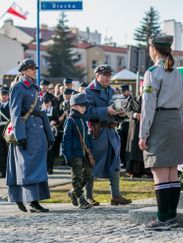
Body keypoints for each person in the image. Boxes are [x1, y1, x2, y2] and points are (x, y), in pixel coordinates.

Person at [138, 34, 183, 230]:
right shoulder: (179, 74)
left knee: (159, 171)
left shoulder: (152, 73)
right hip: (175, 121)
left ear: (153, 49)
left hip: (159, 121)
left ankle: (162, 218)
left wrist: (143, 133)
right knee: (172, 172)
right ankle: (171, 216)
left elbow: (148, 106)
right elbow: (182, 106)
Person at [6, 59, 55, 213]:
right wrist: (20, 136)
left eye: (35, 68)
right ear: (24, 70)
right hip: (26, 132)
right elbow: (15, 113)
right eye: (32, 68)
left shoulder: (34, 87)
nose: (35, 71)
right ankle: (30, 200)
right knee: (27, 168)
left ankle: (34, 200)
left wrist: (49, 134)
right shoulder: (18, 87)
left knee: (38, 167)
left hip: (38, 132)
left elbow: (42, 112)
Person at [85, 64, 132, 205]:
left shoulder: (112, 91)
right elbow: (86, 112)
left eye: (109, 75)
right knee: (92, 164)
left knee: (115, 163)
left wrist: (121, 114)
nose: (107, 77)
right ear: (97, 75)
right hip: (97, 133)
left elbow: (116, 111)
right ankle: (88, 196)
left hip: (111, 131)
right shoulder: (89, 91)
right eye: (104, 75)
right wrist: (105, 110)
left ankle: (116, 195)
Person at [62, 93, 94, 210]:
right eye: (82, 105)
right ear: (74, 106)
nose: (84, 108)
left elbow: (89, 136)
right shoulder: (70, 121)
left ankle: (73, 192)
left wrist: (91, 149)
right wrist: (67, 156)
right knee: (77, 177)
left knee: (89, 175)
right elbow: (66, 140)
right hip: (75, 154)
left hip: (86, 153)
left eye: (85, 106)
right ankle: (81, 199)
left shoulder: (85, 119)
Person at [125, 86, 147, 177]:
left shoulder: (151, 100)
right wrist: (135, 115)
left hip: (147, 127)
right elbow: (127, 110)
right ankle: (135, 171)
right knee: (134, 149)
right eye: (143, 88)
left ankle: (147, 171)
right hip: (135, 127)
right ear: (140, 89)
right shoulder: (133, 100)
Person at [42, 96, 59, 175]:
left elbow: (58, 121)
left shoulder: (54, 110)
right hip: (43, 132)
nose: (46, 104)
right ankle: (44, 168)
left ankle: (50, 168)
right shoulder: (41, 110)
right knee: (43, 151)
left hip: (51, 131)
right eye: (45, 103)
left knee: (50, 151)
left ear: (50, 103)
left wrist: (54, 122)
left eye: (47, 103)